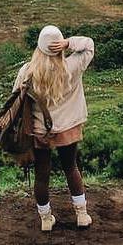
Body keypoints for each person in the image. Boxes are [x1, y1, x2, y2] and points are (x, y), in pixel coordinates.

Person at [13, 24, 95, 232]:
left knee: (42, 175)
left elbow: (16, 97)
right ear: (60, 47)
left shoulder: (27, 72)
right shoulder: (72, 67)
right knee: (71, 168)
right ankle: (82, 215)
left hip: (42, 132)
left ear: (39, 48)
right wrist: (69, 43)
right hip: (68, 129)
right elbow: (89, 45)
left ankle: (46, 219)